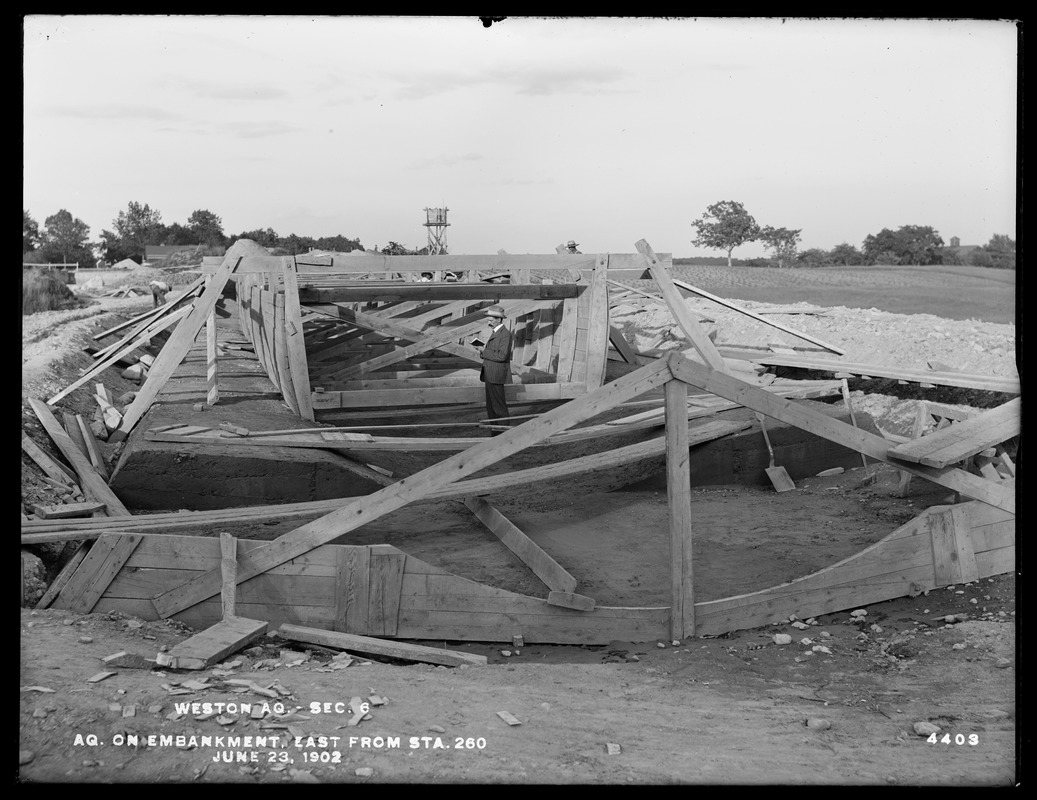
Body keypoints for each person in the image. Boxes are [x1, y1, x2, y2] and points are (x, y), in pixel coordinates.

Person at [478, 304, 513, 434]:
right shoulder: (496, 332)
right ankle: (495, 433)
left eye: (491, 320)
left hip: (496, 374)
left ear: (499, 320)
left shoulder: (505, 335)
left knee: (499, 407)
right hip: (489, 373)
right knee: (491, 407)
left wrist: (484, 351)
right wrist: (482, 351)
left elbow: (502, 356)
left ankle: (504, 434)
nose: (489, 322)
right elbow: (494, 352)